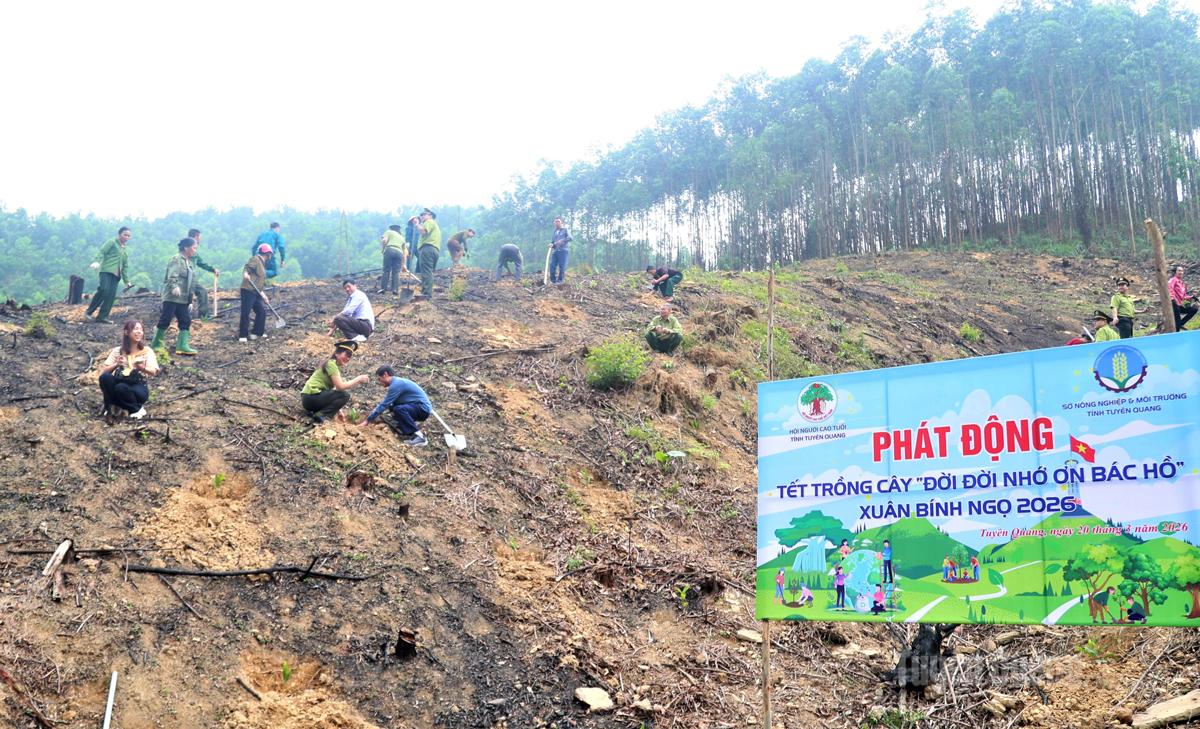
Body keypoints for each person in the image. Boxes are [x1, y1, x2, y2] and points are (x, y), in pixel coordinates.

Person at [98, 319, 159, 420]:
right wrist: (117, 364)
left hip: (138, 386)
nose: (139, 332)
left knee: (121, 387)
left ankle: (136, 409)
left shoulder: (146, 351)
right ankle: (111, 407)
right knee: (105, 378)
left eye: (141, 329)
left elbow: (154, 371)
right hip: (120, 380)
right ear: (126, 332)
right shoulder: (118, 351)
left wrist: (141, 367)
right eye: (136, 329)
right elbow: (104, 371)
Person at [361, 365, 432, 446]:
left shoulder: (396, 385)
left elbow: (384, 404)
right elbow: (389, 405)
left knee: (399, 409)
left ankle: (419, 437)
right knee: (393, 407)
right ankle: (405, 431)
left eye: (379, 379)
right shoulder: (397, 383)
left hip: (422, 409)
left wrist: (368, 420)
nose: (379, 382)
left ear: (385, 375)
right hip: (416, 407)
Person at [150, 238, 199, 356]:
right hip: (172, 296)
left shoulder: (189, 263)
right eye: (193, 248)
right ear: (186, 247)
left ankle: (182, 346)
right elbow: (172, 275)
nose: (195, 250)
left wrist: (190, 299)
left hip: (183, 298)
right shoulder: (177, 259)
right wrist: (173, 286)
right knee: (166, 319)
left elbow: (191, 282)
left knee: (185, 320)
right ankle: (156, 344)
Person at [301, 341, 368, 424]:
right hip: (311, 398)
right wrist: (358, 379)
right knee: (345, 395)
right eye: (347, 354)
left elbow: (334, 391)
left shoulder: (334, 366)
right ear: (337, 353)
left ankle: (319, 413)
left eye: (350, 356)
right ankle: (321, 415)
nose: (348, 358)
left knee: (341, 394)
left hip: (310, 399)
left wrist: (339, 411)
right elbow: (340, 387)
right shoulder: (331, 364)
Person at [85, 226, 132, 324]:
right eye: (125, 235)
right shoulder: (112, 242)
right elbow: (102, 251)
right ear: (119, 234)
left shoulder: (125, 251)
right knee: (104, 289)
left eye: (128, 236)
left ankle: (102, 317)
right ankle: (88, 312)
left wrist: (126, 281)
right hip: (106, 271)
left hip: (116, 276)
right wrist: (96, 261)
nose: (126, 237)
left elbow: (125, 267)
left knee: (111, 295)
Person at [239, 244, 272, 342]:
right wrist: (245, 274)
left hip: (257, 292)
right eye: (270, 254)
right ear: (267, 253)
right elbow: (247, 268)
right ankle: (243, 335)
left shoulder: (262, 263)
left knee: (261, 311)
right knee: (246, 312)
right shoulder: (255, 259)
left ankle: (256, 332)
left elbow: (259, 282)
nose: (270, 256)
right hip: (248, 290)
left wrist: (264, 295)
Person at [188, 228, 219, 319]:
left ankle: (202, 315)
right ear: (196, 237)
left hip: (191, 278)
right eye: (199, 237)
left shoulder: (193, 252)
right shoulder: (189, 251)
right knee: (201, 292)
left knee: (201, 292)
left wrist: (213, 269)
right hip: (187, 278)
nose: (200, 239)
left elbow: (201, 263)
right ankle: (203, 316)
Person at [415, 209, 441, 300]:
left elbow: (423, 231)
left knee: (426, 272)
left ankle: (426, 294)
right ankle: (426, 292)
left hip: (427, 249)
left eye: (423, 214)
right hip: (434, 250)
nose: (421, 216)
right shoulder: (435, 225)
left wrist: (417, 224)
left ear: (430, 215)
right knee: (428, 272)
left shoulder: (429, 221)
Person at [379, 224, 408, 295]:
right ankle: (395, 290)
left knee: (386, 270)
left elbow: (384, 241)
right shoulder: (402, 238)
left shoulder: (389, 232)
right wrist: (404, 264)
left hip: (390, 250)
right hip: (399, 253)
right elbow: (405, 253)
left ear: (391, 229)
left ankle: (383, 289)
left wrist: (383, 250)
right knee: (396, 272)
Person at [1169, 266, 1197, 332]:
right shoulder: (1173, 280)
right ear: (1175, 272)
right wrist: (1172, 298)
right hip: (1173, 304)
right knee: (1177, 322)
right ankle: (1176, 334)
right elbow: (1169, 288)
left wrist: (1191, 297)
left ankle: (1181, 324)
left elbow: (1184, 296)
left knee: (1193, 310)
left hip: (1179, 305)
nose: (1181, 272)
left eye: (1182, 271)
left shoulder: (1182, 283)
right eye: (1179, 270)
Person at [548, 217, 571, 284]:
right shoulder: (555, 232)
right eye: (555, 222)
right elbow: (553, 242)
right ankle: (553, 281)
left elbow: (570, 238)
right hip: (555, 251)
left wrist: (561, 241)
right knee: (552, 266)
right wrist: (551, 244)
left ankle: (560, 281)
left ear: (561, 223)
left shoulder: (565, 230)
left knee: (562, 267)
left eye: (558, 221)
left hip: (563, 251)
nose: (556, 223)